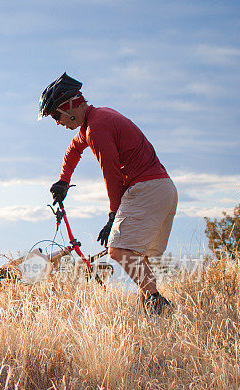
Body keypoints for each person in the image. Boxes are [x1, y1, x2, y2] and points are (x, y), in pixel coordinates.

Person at [38, 73, 177, 315]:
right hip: (163, 188)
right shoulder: (97, 118)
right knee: (133, 253)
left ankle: (159, 304)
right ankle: (152, 312)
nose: (57, 123)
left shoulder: (97, 127)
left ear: (69, 106)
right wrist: (63, 180)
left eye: (55, 116)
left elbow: (111, 173)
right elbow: (73, 150)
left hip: (146, 189)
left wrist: (113, 215)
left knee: (118, 251)